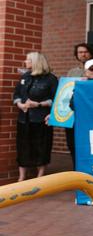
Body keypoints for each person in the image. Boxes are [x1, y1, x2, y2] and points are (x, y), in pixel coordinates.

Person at [13, 52, 58, 181]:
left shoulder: (50, 79)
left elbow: (56, 100)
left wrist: (38, 104)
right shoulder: (25, 77)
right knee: (22, 146)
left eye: (28, 60)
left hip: (41, 119)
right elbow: (16, 94)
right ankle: (21, 177)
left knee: (41, 147)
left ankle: (40, 177)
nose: (25, 62)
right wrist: (20, 104)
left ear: (36, 62)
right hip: (24, 119)